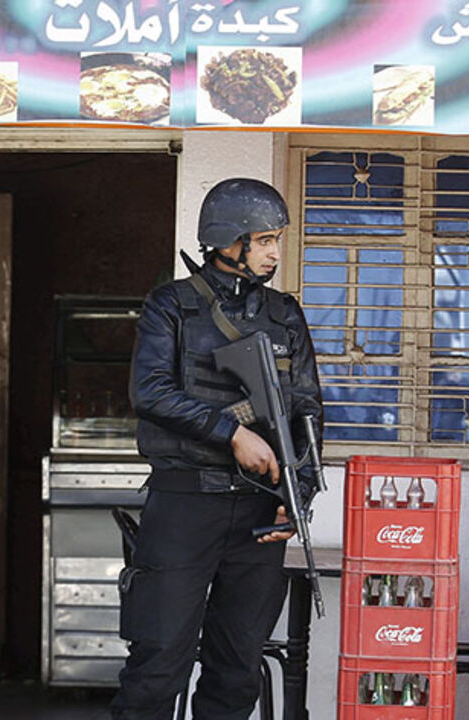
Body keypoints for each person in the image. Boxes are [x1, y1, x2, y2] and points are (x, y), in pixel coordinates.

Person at [112, 178, 322, 720]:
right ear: (231, 240)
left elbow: (308, 411)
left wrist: (296, 494)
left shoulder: (285, 315)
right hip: (185, 505)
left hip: (259, 512)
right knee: (158, 665)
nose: (275, 253)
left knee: (237, 670)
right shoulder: (172, 306)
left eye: (276, 241)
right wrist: (232, 434)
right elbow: (150, 391)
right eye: (265, 240)